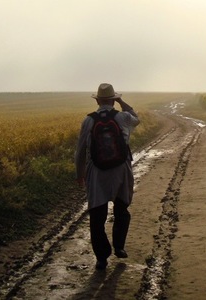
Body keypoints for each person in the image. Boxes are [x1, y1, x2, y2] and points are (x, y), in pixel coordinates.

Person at [75, 83, 140, 270]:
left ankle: (102, 257)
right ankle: (119, 246)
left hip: (96, 172)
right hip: (121, 170)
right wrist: (122, 102)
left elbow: (80, 151)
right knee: (121, 210)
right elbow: (137, 118)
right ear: (113, 99)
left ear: (97, 100)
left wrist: (80, 174)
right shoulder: (123, 117)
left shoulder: (88, 121)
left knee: (97, 216)